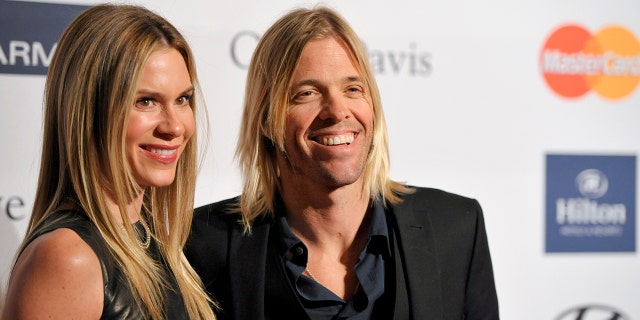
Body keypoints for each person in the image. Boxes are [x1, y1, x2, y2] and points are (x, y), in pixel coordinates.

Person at [185, 6, 499, 320]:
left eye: (353, 89)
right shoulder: (203, 246)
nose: (337, 111)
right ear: (267, 120)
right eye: (307, 93)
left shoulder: (457, 228)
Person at [1, 4, 216, 320]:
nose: (175, 126)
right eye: (146, 101)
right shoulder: (67, 258)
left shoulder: (150, 239)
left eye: (182, 100)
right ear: (89, 113)